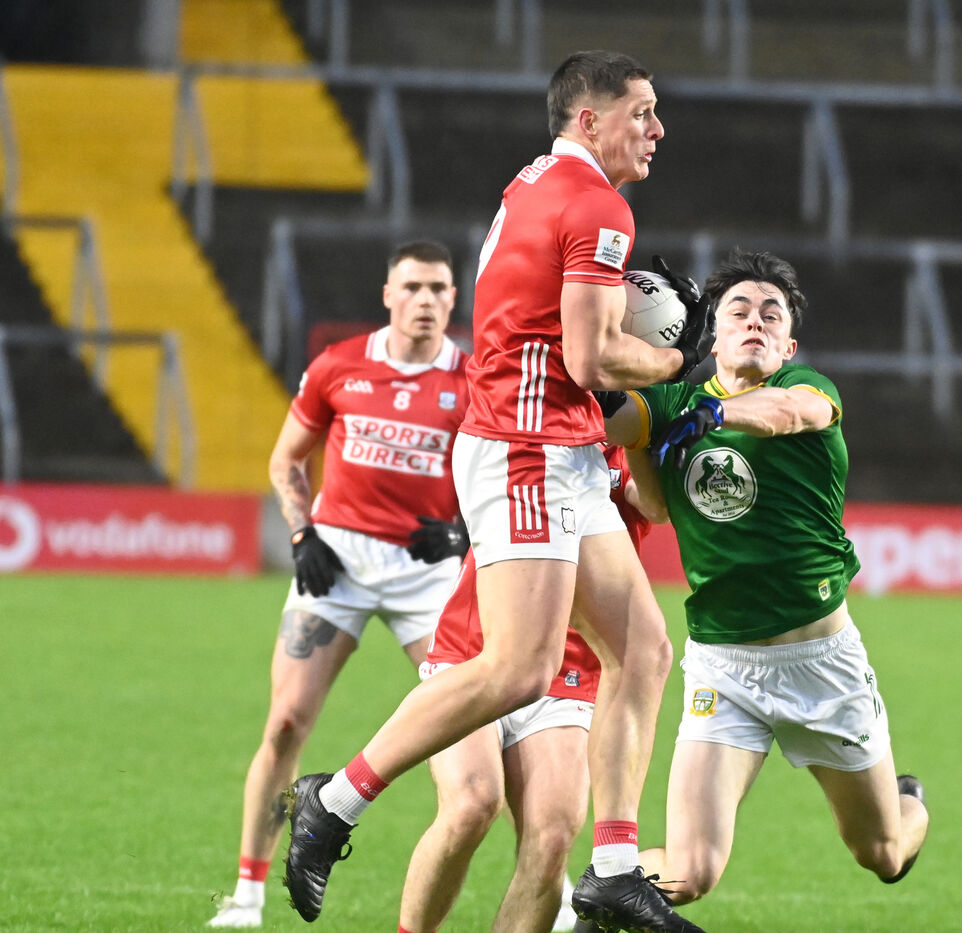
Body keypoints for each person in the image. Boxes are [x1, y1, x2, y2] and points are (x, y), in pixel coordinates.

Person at [281, 50, 714, 933]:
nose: (658, 130)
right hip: (528, 447)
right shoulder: (599, 204)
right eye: (642, 112)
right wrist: (677, 361)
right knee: (518, 668)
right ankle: (337, 800)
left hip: (563, 445)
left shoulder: (535, 182)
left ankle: (615, 868)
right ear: (588, 121)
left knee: (644, 651)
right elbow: (592, 358)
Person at [583, 249, 930, 926]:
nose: (756, 321)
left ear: (789, 343)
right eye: (739, 310)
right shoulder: (673, 402)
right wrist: (612, 370)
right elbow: (611, 429)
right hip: (724, 666)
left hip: (821, 665)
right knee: (690, 867)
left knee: (883, 851)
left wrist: (711, 419)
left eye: (773, 315)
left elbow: (783, 414)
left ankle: (910, 798)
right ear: (710, 334)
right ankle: (586, 904)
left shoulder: (809, 389)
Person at [208, 241, 470, 928]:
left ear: (454, 297)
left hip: (429, 572)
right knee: (287, 721)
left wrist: (465, 535)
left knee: (472, 731)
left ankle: (549, 874)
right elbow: (286, 460)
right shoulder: (339, 366)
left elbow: (498, 478)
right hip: (340, 560)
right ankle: (247, 893)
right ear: (388, 293)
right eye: (412, 286)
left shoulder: (473, 380)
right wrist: (302, 534)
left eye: (439, 289)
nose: (426, 300)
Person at [399, 444, 661, 933]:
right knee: (470, 804)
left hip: (573, 669)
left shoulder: (637, 438)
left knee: (554, 836)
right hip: (476, 651)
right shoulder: (529, 415)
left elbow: (654, 503)